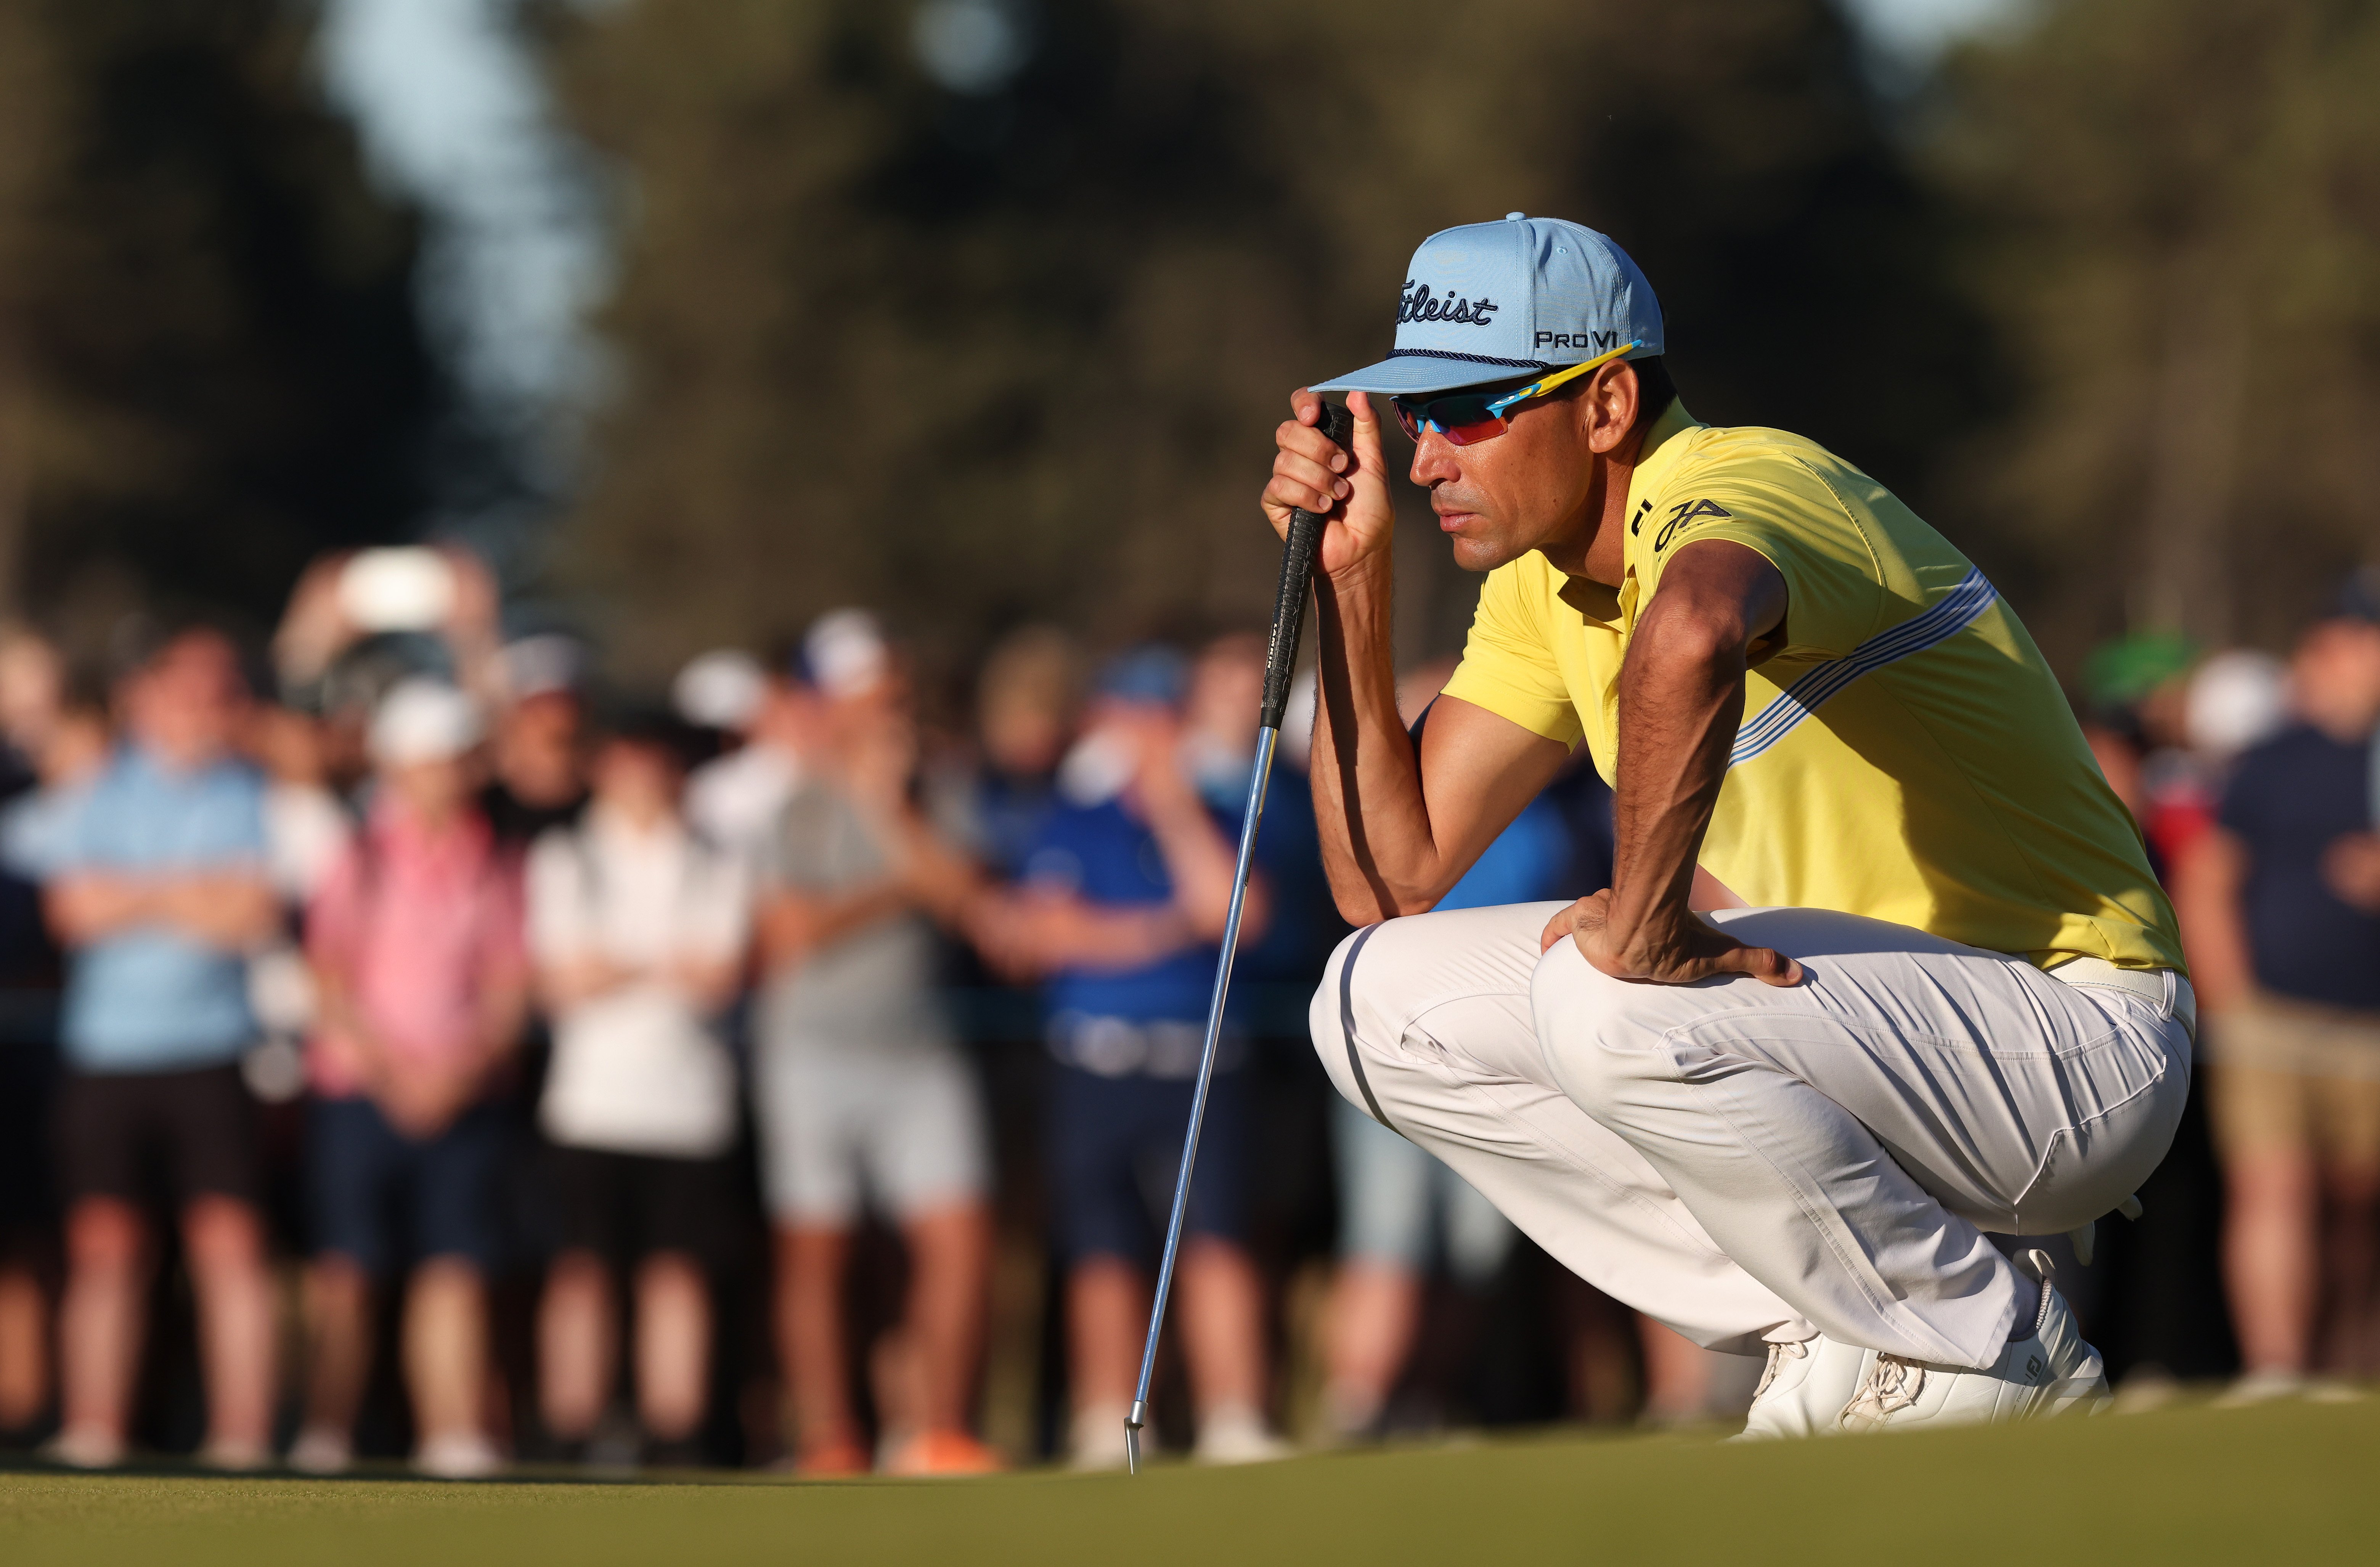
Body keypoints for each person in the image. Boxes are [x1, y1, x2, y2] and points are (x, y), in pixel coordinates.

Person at [1267, 215, 2191, 1438]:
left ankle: (1985, 1340)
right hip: (1864, 1027)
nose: (1431, 457)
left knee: (1612, 992)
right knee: (1368, 999)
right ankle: (1827, 1321)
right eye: (1415, 418)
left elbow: (1695, 628)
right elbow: (1388, 875)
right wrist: (1353, 585)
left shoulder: (1748, 475)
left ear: (1604, 407)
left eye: (1473, 407)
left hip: (2076, 1030)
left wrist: (1647, 932)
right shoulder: (1539, 589)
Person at [972, 647, 1288, 1469]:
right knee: (1103, 1250)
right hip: (1096, 1063)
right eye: (1132, 718)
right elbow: (1046, 935)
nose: (1146, 737)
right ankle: (1105, 1424)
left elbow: (1241, 916)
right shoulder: (1071, 820)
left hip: (1200, 1063)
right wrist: (1165, 929)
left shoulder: (1217, 812)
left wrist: (1176, 814)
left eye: (1160, 719)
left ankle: (1233, 1419)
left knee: (1217, 1242)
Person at [753, 611, 1000, 1477]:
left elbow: (966, 896)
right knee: (817, 1253)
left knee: (961, 1240)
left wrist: (889, 813)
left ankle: (941, 1432)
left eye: (893, 691)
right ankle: (830, 1440)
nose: (888, 709)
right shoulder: (796, 804)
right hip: (811, 1053)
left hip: (921, 1051)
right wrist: (902, 880)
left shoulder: (937, 789)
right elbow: (791, 934)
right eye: (869, 694)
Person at [39, 629, 281, 1469]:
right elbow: (74, 912)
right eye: (188, 690)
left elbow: (251, 914)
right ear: (147, 696)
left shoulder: (247, 790)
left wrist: (135, 894)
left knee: (232, 1249)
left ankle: (243, 1437)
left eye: (219, 693)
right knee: (107, 1250)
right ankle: (95, 1429)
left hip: (211, 1053)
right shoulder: (101, 789)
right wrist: (192, 891)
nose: (204, 710)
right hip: (109, 1056)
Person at [292, 679, 528, 1477]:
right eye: (438, 761)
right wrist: (399, 1076)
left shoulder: (493, 856)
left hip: (463, 1096)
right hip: (362, 1092)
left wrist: (460, 1073)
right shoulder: (356, 853)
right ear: (401, 766)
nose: (453, 776)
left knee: (454, 1271)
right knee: (348, 1272)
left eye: (461, 761)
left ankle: (453, 1435)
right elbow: (328, 981)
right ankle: (327, 1433)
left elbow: (507, 985)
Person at [2174, 592, 2380, 1397]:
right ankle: (2276, 1370)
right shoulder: (2271, 757)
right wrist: (2228, 1002)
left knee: (2356, 1213)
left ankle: (2344, 1376)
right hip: (2271, 1018)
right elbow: (2208, 875)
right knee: (2276, 1188)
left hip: (2369, 1021)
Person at [528, 715, 749, 1465]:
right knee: (583, 1274)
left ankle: (675, 1434)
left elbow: (716, 976)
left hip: (689, 1108)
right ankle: (570, 1431)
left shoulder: (716, 861)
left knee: (675, 1275)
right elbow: (565, 977)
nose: (644, 780)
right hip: (590, 1105)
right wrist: (660, 966)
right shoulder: (566, 856)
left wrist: (618, 966)